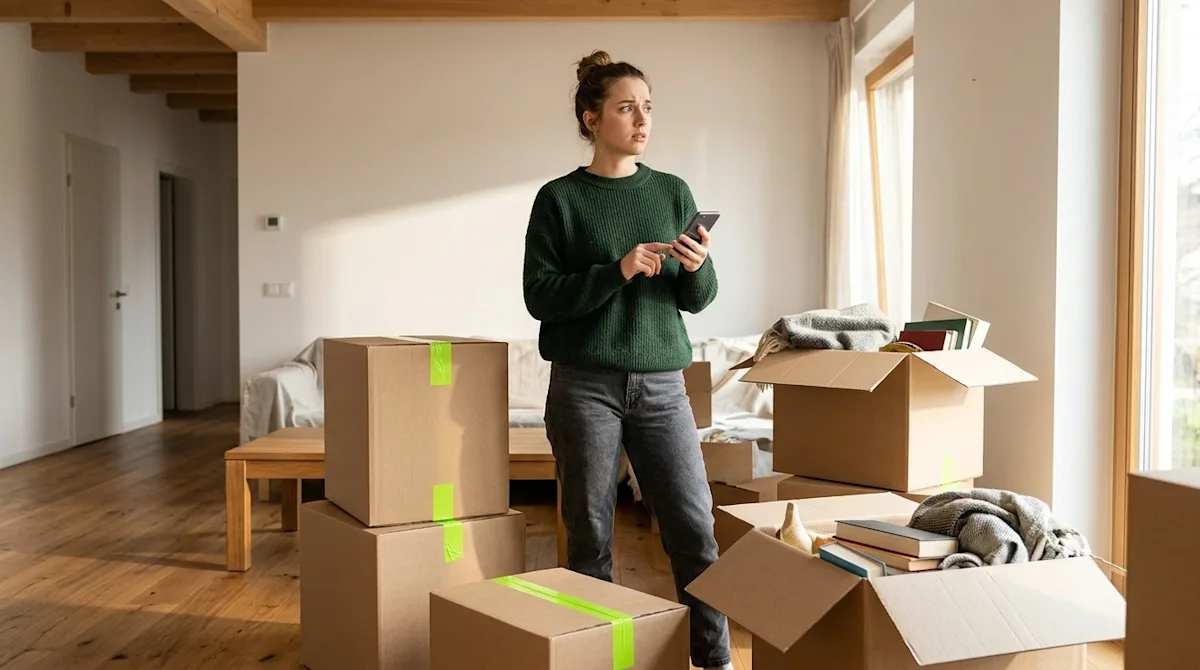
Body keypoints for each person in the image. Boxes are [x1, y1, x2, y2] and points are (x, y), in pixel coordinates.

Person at [521, 50, 732, 670]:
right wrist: (615, 271)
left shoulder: (672, 192)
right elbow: (541, 297)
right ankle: (597, 659)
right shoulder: (559, 199)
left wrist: (696, 266)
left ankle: (713, 661)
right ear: (591, 118)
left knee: (695, 531)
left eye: (648, 107)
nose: (642, 119)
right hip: (584, 386)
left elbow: (697, 298)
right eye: (626, 107)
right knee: (589, 537)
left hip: (665, 385)